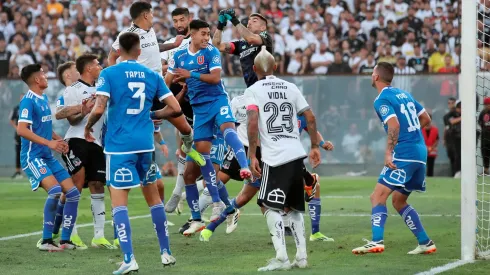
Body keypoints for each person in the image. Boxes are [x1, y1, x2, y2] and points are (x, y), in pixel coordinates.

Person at [84, 32, 193, 273]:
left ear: (118, 51)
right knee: (154, 199)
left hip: (119, 146)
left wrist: (88, 126)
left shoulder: (108, 74)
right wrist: (152, 115)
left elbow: (99, 108)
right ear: (140, 51)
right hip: (145, 145)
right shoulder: (152, 75)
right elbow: (174, 108)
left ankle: (129, 258)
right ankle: (166, 253)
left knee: (119, 202)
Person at [199, 96, 335, 242]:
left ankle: (312, 232)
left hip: (288, 159)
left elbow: (311, 128)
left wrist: (321, 143)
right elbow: (257, 136)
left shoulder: (300, 114)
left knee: (311, 184)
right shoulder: (274, 114)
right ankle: (210, 228)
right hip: (271, 160)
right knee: (245, 197)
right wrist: (255, 157)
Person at [162, 19, 251, 236]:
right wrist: (168, 89)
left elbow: (215, 78)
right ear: (192, 34)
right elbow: (166, 82)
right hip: (199, 111)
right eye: (203, 33)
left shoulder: (211, 52)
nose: (206, 37)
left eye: (208, 33)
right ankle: (203, 215)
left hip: (217, 101)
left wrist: (189, 75)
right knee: (194, 171)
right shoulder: (179, 56)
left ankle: (245, 166)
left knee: (228, 129)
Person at [243, 46, 321, 271]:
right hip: (296, 154)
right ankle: (302, 257)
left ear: (255, 68)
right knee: (294, 208)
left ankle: (281, 258)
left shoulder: (254, 90)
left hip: (274, 157)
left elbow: (252, 121)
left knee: (268, 205)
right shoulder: (291, 87)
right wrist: (315, 145)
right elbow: (310, 116)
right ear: (276, 67)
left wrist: (252, 154)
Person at [351, 62, 436, 255]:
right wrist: (411, 136)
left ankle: (376, 241)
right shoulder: (404, 94)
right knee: (398, 201)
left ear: (376, 77)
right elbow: (426, 119)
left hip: (404, 153)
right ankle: (425, 242)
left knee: (377, 197)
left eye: (372, 72)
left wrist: (389, 151)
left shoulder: (381, 99)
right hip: (420, 152)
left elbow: (394, 125)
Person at [47, 54, 113, 250]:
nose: (100, 66)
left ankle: (99, 236)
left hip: (97, 143)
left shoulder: (103, 87)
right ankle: (71, 234)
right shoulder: (73, 90)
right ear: (88, 68)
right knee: (75, 186)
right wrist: (83, 111)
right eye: (97, 64)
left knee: (97, 184)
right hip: (76, 140)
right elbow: (64, 116)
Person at [17, 64, 80, 251]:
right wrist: (49, 144)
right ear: (37, 80)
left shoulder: (43, 98)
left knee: (73, 194)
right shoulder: (28, 101)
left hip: (47, 155)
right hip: (33, 157)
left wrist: (57, 139)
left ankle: (65, 240)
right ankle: (46, 240)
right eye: (43, 74)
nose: (46, 76)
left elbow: (43, 127)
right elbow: (22, 130)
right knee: (54, 191)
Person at [212, 9, 273, 87]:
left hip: (266, 86)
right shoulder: (241, 44)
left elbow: (250, 38)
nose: (249, 23)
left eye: (254, 21)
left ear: (263, 27)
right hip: (251, 88)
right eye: (249, 21)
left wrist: (234, 19)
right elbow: (217, 46)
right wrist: (220, 25)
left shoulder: (266, 37)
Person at [9, 93, 24, 179]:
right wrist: (17, 128)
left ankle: (32, 171)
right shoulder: (16, 108)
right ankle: (18, 172)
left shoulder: (29, 107)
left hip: (28, 134)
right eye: (21, 98)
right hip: (18, 135)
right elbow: (11, 120)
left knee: (29, 152)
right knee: (18, 152)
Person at [442, 97, 457, 176]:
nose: (450, 105)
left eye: (452, 103)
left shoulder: (459, 113)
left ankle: (458, 173)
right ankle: (453, 174)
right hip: (449, 139)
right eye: (449, 103)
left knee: (457, 156)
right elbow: (446, 127)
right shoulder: (446, 116)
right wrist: (444, 139)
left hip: (457, 138)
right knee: (451, 156)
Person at [479, 97, 490, 175]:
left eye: (488, 104)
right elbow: (480, 122)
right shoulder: (483, 113)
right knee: (485, 153)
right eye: (485, 105)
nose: (486, 106)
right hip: (485, 137)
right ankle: (486, 170)